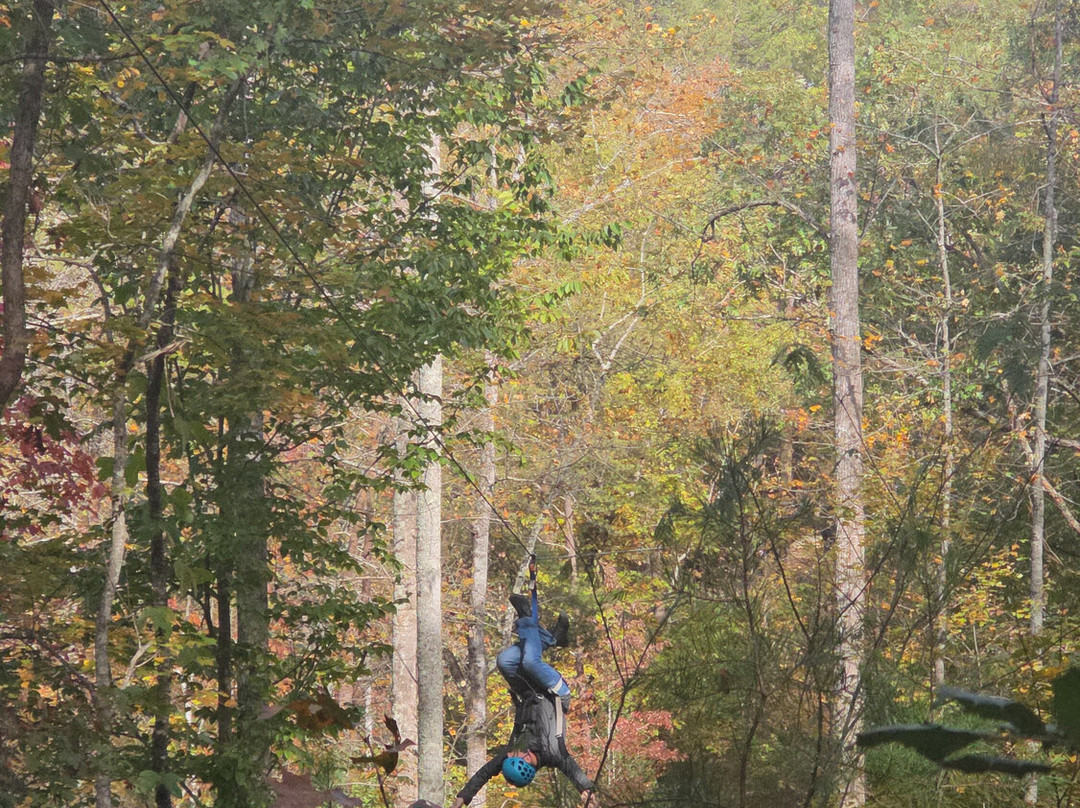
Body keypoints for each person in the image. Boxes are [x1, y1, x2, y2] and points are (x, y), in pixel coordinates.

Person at [450, 592, 595, 808]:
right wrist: (587, 791)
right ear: (526, 759)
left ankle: (552, 639)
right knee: (530, 663)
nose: (511, 752)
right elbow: (572, 770)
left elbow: (485, 772)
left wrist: (462, 797)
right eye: (515, 754)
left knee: (505, 661)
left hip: (528, 692)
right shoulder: (553, 753)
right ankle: (526, 617)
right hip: (555, 692)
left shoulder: (512, 753)